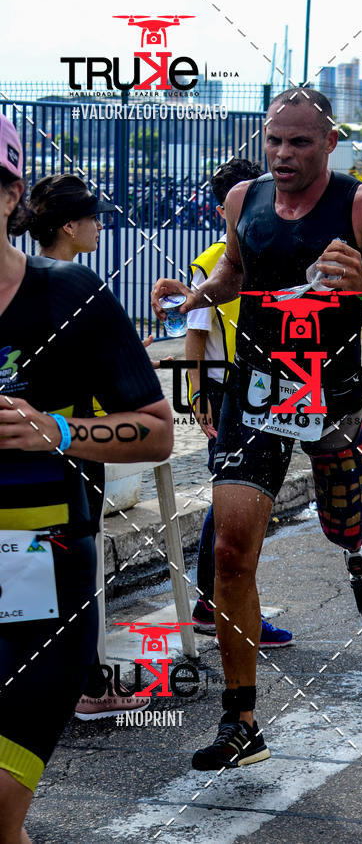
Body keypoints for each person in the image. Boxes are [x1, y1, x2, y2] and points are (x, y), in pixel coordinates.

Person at [152, 88, 362, 770]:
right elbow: (237, 268)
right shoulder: (242, 198)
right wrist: (196, 295)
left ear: (330, 142)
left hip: (331, 399)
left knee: (350, 537)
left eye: (300, 142)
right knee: (228, 553)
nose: (283, 154)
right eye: (275, 139)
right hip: (255, 396)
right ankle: (241, 721)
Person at [0, 114, 173, 842]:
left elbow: (158, 428)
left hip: (37, 575)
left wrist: (63, 431)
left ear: (10, 194)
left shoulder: (68, 293)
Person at [28, 172, 153, 721]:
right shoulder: (75, 285)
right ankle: (89, 687)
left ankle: (47, 682)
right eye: (94, 217)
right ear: (70, 225)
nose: (101, 225)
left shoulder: (24, 285)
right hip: (73, 446)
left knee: (30, 572)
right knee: (76, 568)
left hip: (35, 453)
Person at [186, 159, 292, 648]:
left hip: (267, 384)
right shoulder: (213, 260)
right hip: (227, 389)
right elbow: (196, 335)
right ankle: (214, 604)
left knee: (243, 499)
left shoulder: (272, 248)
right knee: (233, 500)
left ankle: (217, 603)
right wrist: (197, 394)